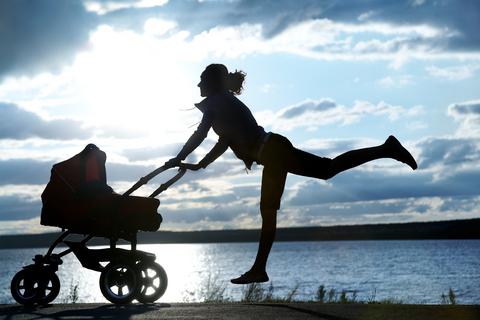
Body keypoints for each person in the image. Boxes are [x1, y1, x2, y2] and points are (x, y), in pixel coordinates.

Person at [165, 63, 417, 284]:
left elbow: (201, 134)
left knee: (281, 203)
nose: (197, 83)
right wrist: (199, 165)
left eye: (201, 79)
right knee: (323, 173)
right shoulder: (224, 102)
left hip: (273, 153)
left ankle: (259, 270)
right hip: (273, 150)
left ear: (210, 82)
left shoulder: (217, 102)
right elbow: (224, 141)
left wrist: (180, 157)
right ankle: (386, 149)